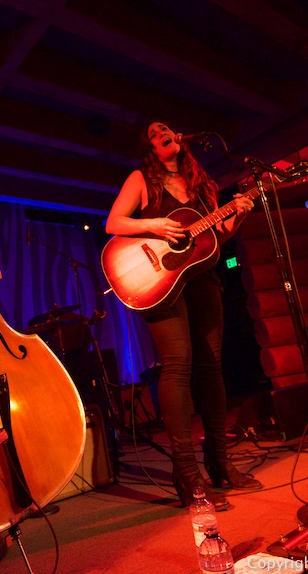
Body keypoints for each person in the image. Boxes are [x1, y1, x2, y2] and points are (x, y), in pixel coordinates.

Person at [105, 122, 261, 510]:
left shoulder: (203, 184)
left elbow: (212, 239)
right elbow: (114, 223)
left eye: (167, 127)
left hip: (200, 277)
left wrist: (237, 215)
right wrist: (154, 224)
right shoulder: (142, 179)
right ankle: (187, 477)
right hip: (157, 279)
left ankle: (220, 465)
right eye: (155, 131)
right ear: (151, 146)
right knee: (178, 366)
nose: (163, 131)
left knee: (211, 366)